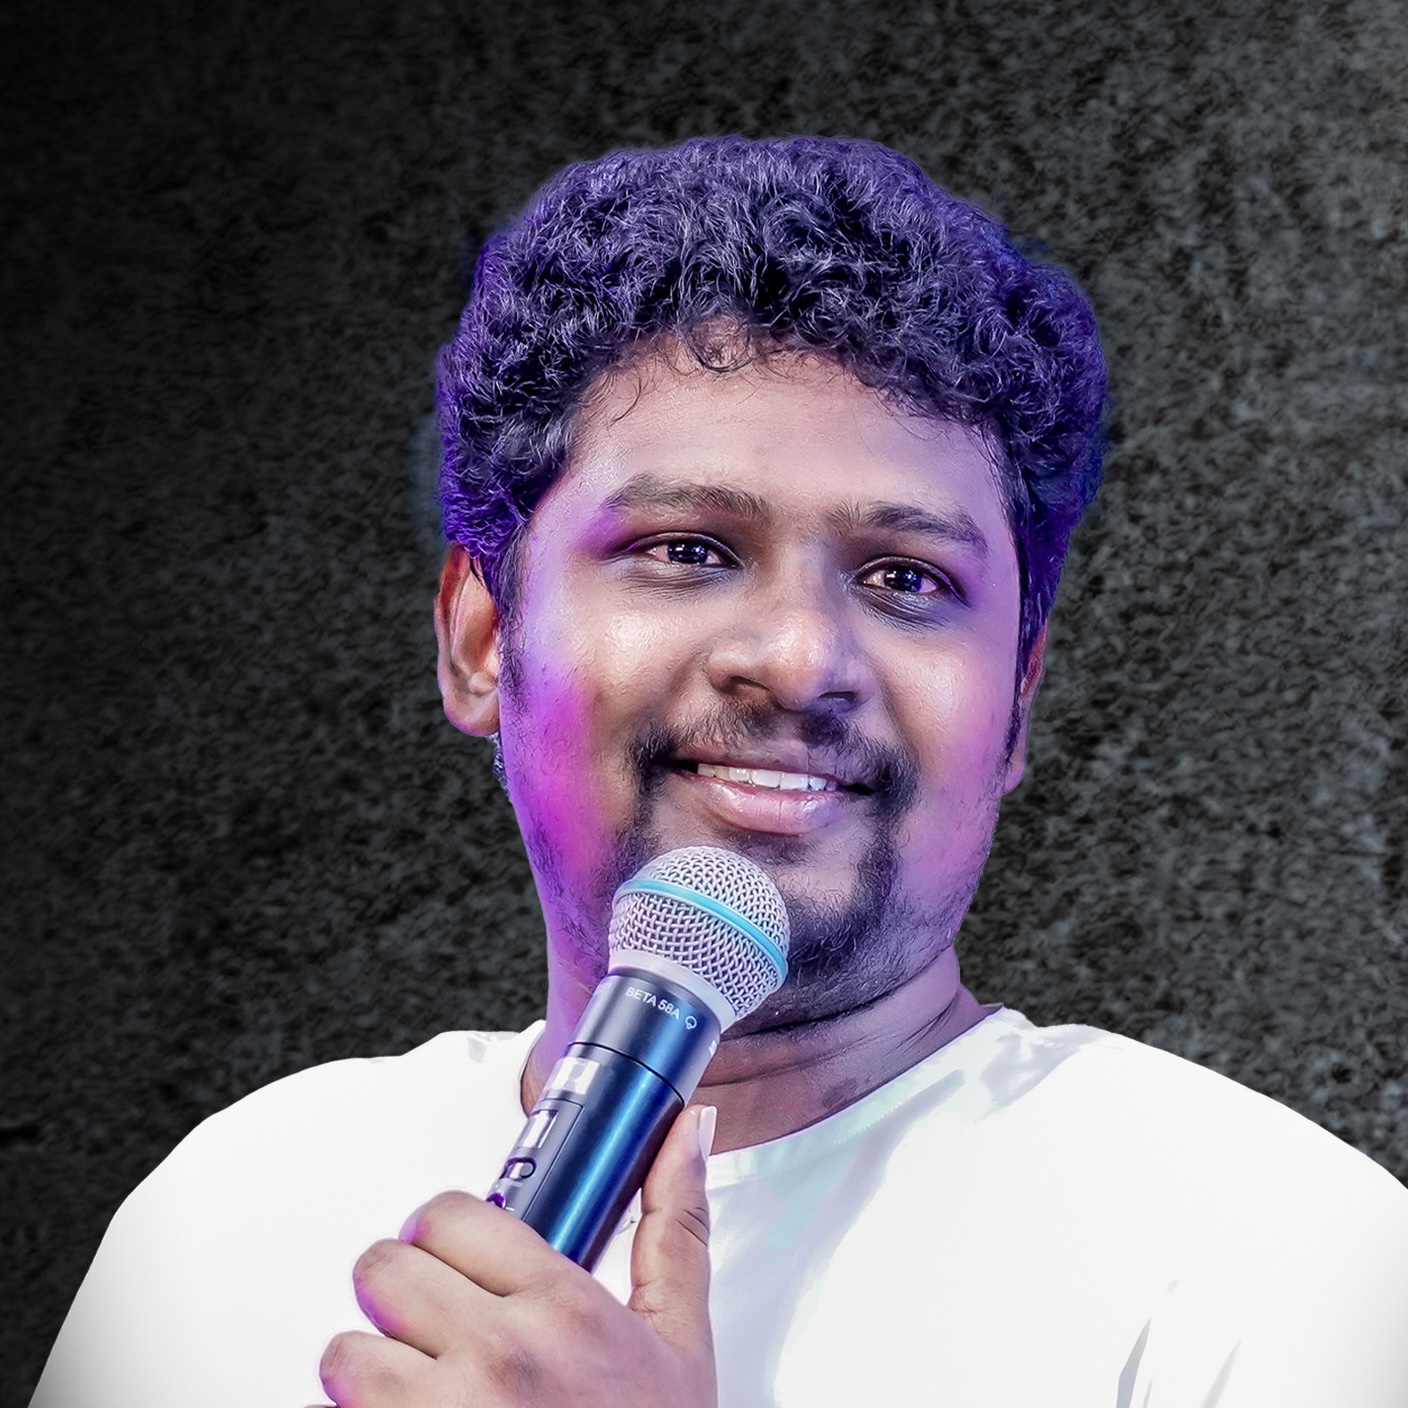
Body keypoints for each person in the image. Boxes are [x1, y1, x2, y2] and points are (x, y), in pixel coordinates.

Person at [32, 135, 1408, 1408]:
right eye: (687, 550)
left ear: (1017, 700)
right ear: (482, 637)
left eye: (906, 578)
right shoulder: (235, 1212)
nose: (802, 660)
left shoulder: (1273, 1252)